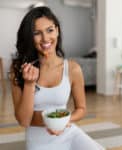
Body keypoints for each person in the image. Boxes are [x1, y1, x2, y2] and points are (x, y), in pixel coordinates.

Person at [10, 6, 105, 150]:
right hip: (39, 141)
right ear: (30, 37)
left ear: (57, 30)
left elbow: (81, 109)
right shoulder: (19, 69)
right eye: (37, 33)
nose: (45, 38)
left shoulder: (73, 69)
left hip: (68, 133)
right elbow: (24, 120)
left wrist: (64, 122)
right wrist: (29, 84)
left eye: (50, 30)